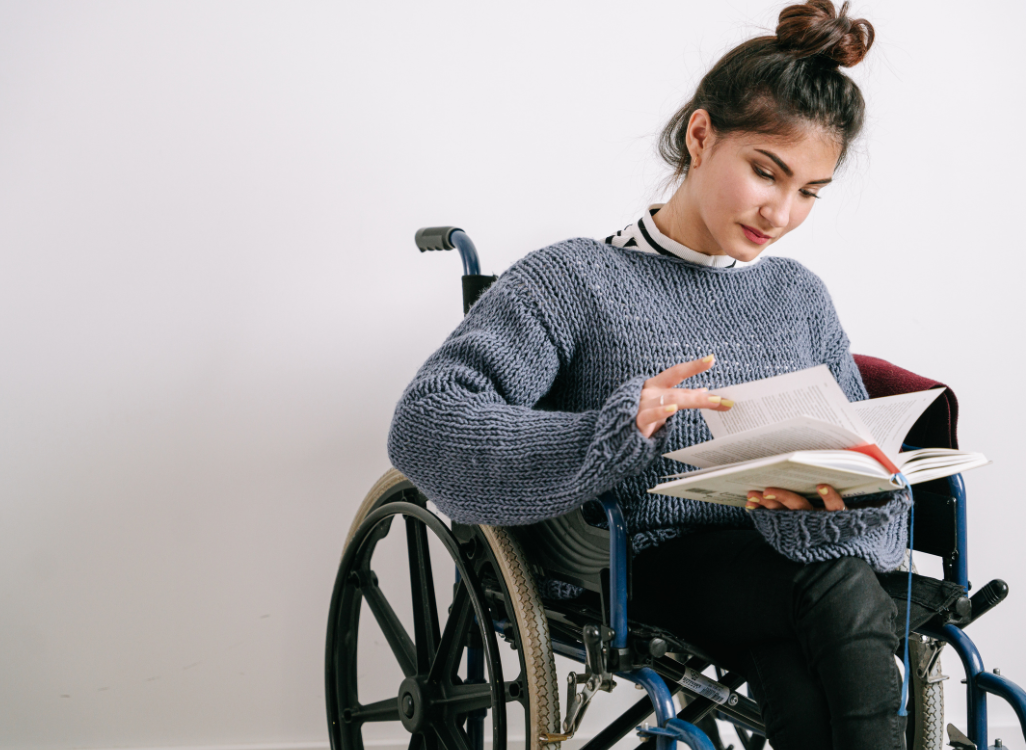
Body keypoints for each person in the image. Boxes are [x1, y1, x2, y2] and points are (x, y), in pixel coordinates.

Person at [388, 1, 909, 748]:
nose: (782, 212)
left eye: (808, 192)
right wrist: (613, 429)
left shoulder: (798, 294)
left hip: (782, 572)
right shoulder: (572, 278)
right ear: (702, 136)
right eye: (767, 172)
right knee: (834, 588)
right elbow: (428, 420)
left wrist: (838, 498)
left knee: (803, 666)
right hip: (646, 566)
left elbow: (857, 459)